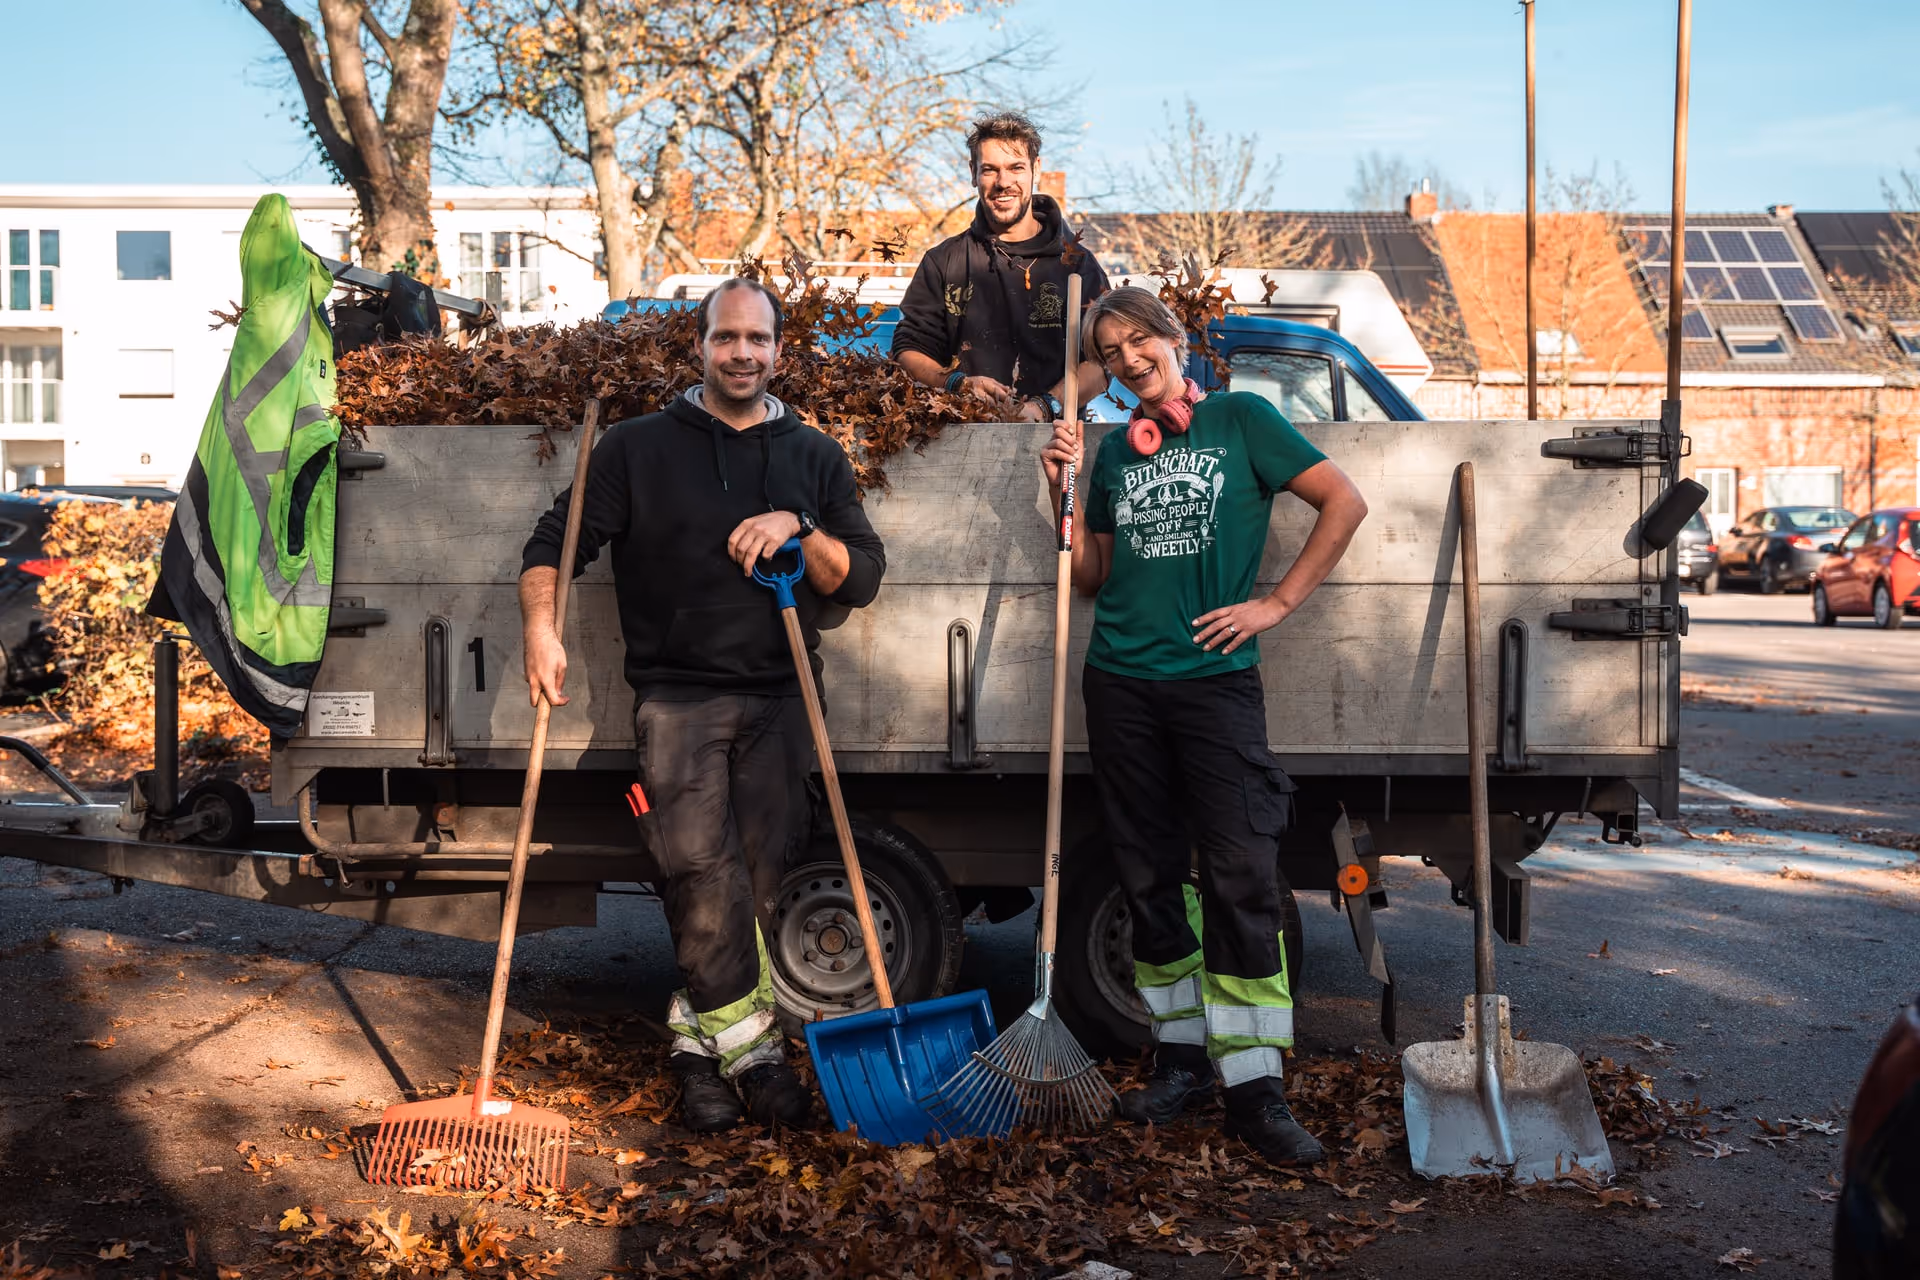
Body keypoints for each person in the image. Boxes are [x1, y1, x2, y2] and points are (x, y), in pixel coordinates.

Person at [519, 279, 886, 1132]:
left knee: (752, 884)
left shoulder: (815, 456)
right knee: (695, 873)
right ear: (700, 348)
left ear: (780, 352)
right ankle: (756, 1058)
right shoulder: (636, 448)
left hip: (782, 700)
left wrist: (799, 523)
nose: (743, 353)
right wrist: (543, 631)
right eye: (727, 338)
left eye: (758, 339)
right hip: (678, 697)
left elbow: (861, 578)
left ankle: (698, 1055)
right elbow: (554, 543)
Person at [1038, 286, 1368, 1167]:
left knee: (1238, 877)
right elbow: (1089, 577)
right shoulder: (1110, 456)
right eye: (1110, 352)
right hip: (1120, 686)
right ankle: (1181, 1060)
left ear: (1174, 339)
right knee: (1148, 879)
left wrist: (1274, 606)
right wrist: (1060, 495)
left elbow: (1344, 502)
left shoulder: (1242, 421)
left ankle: (1256, 1090)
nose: (1129, 358)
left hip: (1215, 687)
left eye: (1139, 339)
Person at [892, 110, 1109, 424]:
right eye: (990, 170)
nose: (1003, 182)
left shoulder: (1077, 265)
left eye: (1016, 167)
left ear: (1036, 168)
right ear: (973, 173)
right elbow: (908, 349)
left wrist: (1045, 406)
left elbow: (1102, 363)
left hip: (1058, 444)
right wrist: (957, 385)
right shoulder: (944, 262)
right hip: (962, 444)